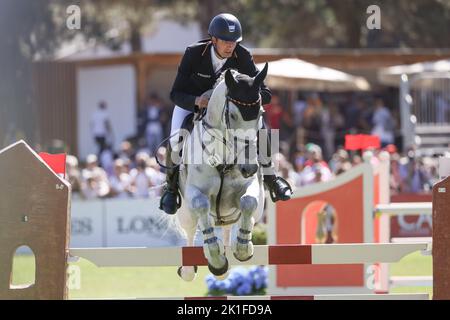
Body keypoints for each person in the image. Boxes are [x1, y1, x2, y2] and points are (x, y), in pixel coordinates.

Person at [159, 13, 292, 215]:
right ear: (214, 39)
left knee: (262, 127)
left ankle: (272, 178)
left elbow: (265, 93)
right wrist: (196, 101)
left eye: (234, 42)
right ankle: (170, 188)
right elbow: (175, 93)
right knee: (177, 136)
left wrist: (246, 95)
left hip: (229, 108)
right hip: (193, 104)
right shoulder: (194, 54)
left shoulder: (243, 56)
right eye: (226, 42)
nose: (231, 46)